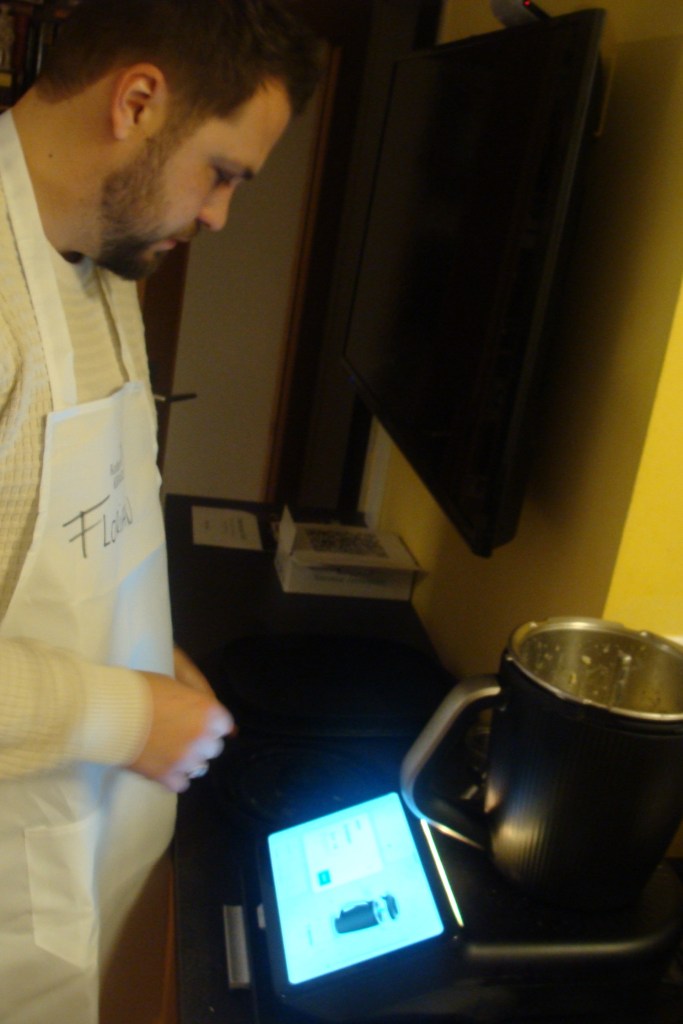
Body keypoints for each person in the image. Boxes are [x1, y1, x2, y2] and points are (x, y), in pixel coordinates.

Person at [0, 1, 321, 1022]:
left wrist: (142, 649)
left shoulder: (105, 255)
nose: (220, 214)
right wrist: (133, 714)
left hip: (86, 833)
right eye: (221, 171)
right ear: (137, 101)